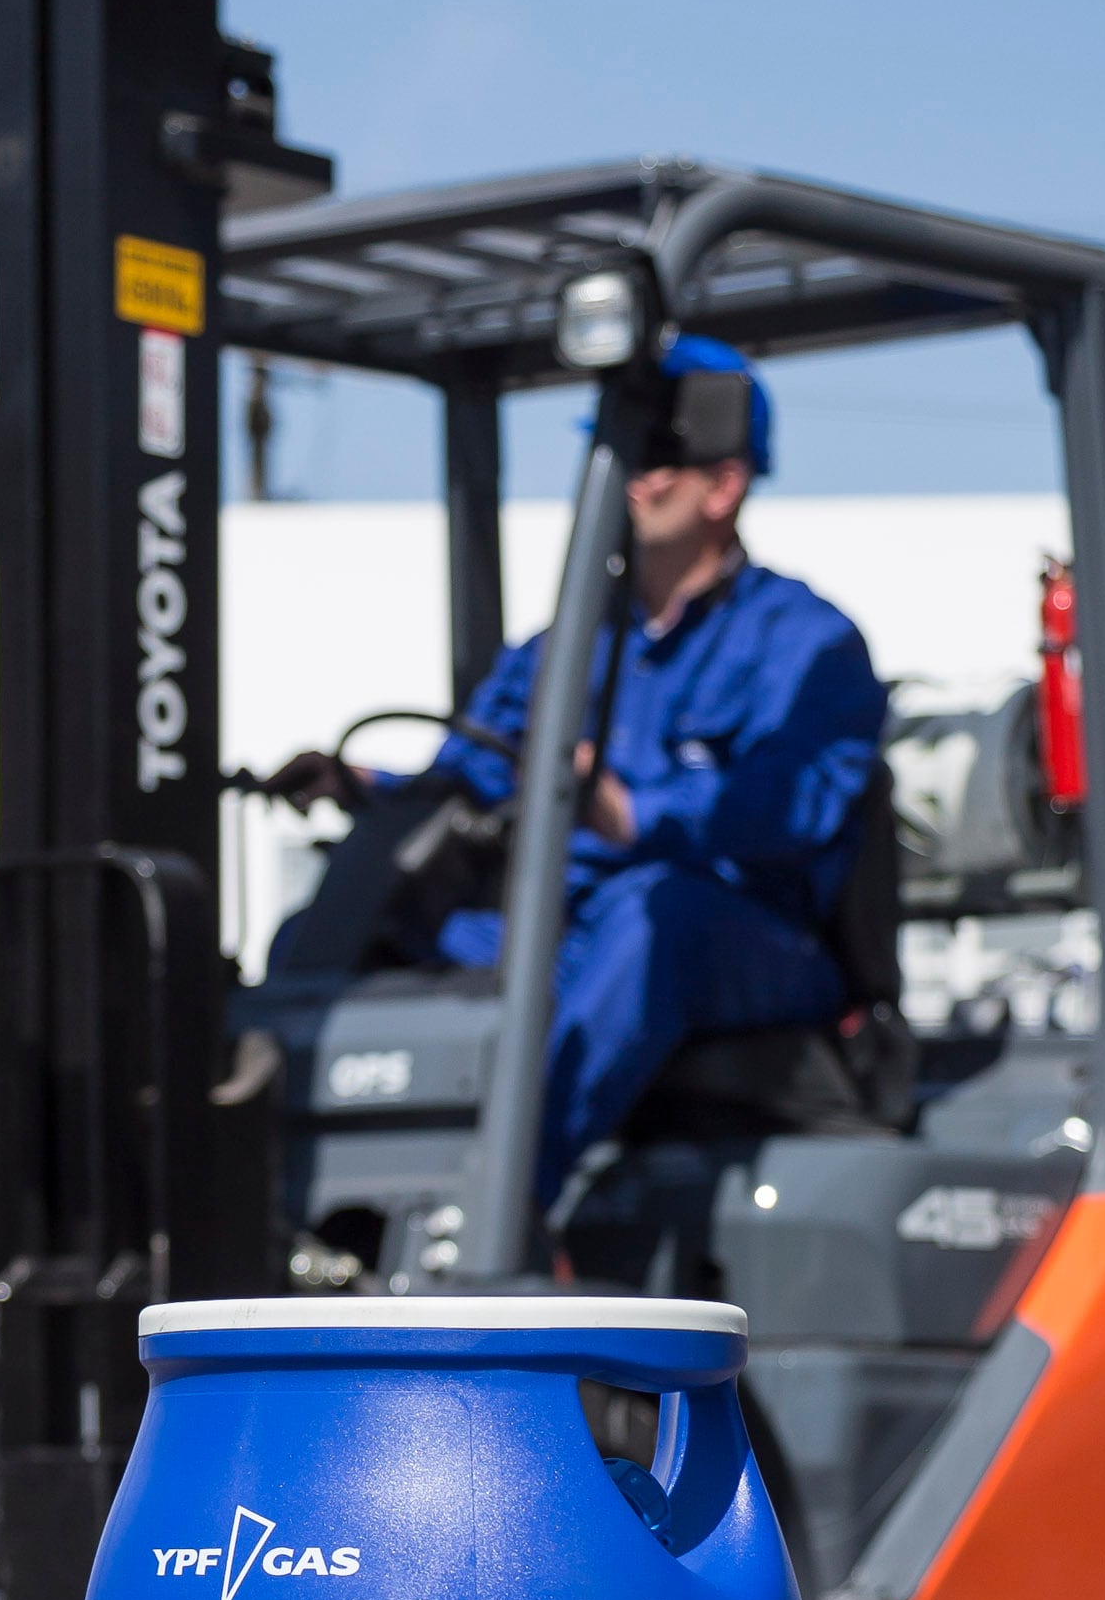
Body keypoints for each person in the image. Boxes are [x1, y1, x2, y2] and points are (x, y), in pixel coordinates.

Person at [283, 342, 887, 1205]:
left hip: (744, 937)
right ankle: (297, 1190)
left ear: (723, 486)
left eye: (655, 463)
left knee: (654, 918)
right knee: (352, 920)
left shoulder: (806, 643)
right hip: (572, 929)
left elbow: (792, 808)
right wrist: (369, 790)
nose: (630, 481)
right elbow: (475, 769)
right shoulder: (565, 645)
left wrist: (630, 813)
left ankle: (501, 1209)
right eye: (624, 458)